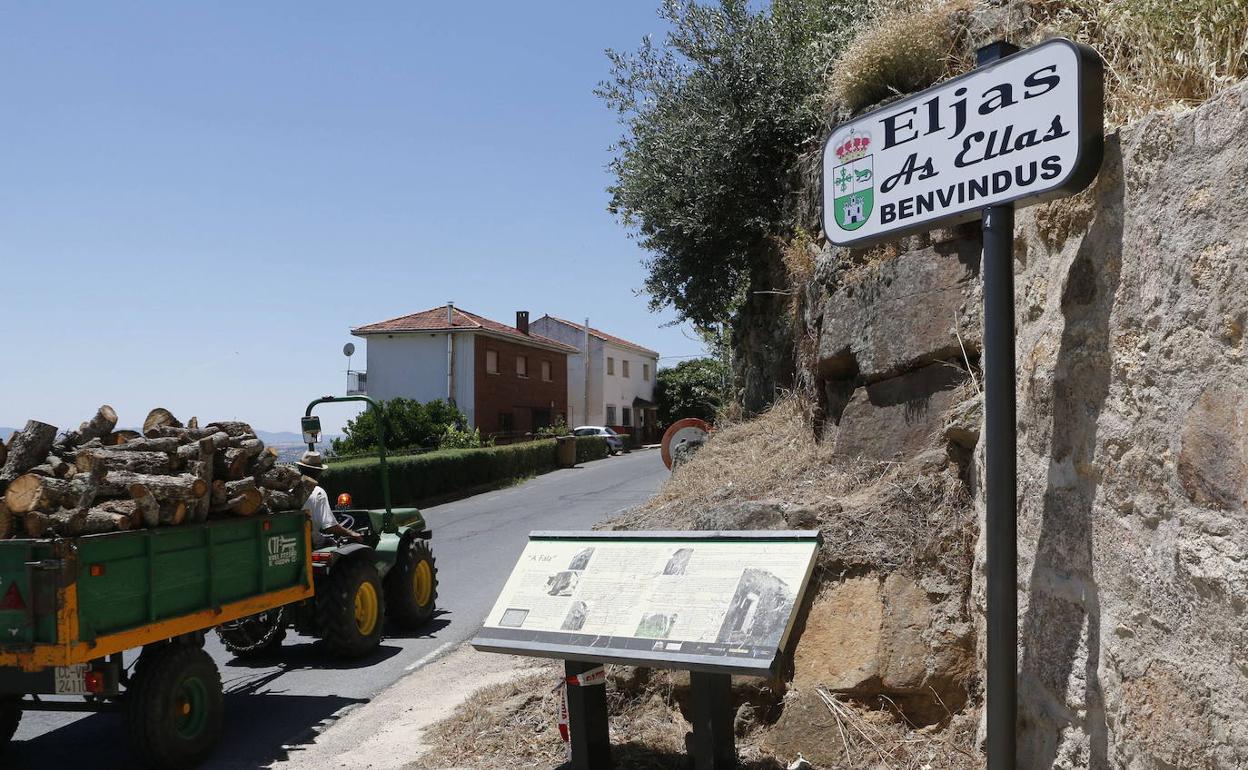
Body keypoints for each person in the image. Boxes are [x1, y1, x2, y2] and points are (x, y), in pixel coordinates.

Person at [296, 451, 364, 547]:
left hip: (295, 541)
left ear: (300, 468)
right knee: (333, 543)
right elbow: (329, 527)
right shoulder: (318, 492)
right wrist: (351, 533)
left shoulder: (289, 490)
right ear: (319, 472)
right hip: (312, 544)